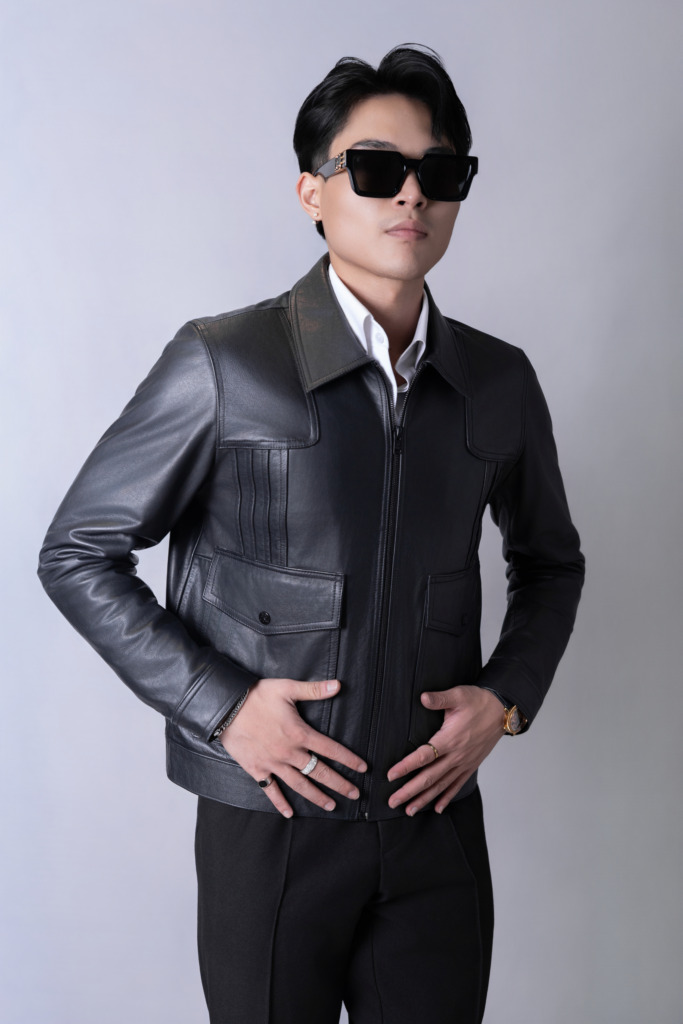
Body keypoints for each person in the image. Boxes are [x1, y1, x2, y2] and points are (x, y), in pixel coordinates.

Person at [38, 44, 584, 1024]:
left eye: (440, 172)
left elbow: (550, 563)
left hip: (433, 822)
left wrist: (504, 699)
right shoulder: (224, 362)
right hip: (272, 820)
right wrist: (221, 708)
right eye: (376, 168)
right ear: (312, 192)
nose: (411, 195)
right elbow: (79, 550)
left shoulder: (496, 382)